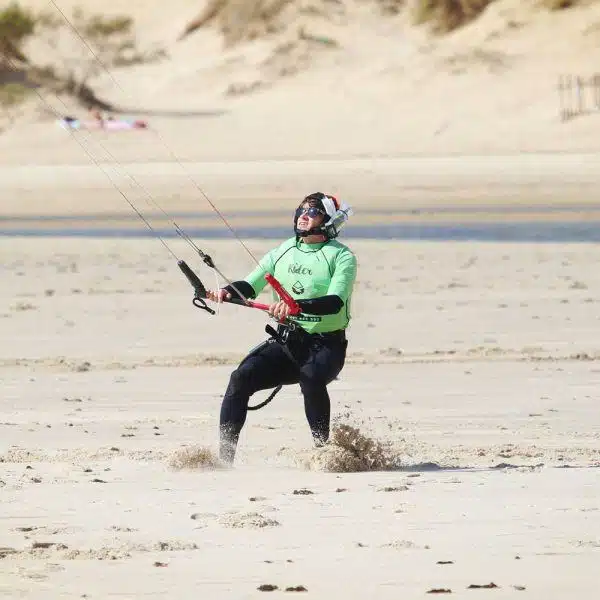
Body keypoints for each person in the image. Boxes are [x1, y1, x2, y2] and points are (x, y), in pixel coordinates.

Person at [206, 192, 358, 465]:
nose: (303, 216)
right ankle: (224, 460)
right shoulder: (284, 250)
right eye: (301, 210)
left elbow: (334, 302)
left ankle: (325, 454)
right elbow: (250, 286)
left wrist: (295, 306)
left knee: (311, 377)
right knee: (240, 378)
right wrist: (226, 292)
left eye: (312, 213)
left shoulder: (342, 257)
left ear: (328, 221)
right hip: (288, 342)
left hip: (326, 346)